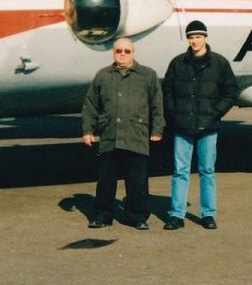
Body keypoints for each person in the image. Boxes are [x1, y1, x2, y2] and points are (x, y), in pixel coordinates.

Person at [82, 37, 165, 230]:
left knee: (137, 181)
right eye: (119, 51)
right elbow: (90, 104)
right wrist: (88, 129)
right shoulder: (103, 76)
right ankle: (103, 216)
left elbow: (157, 105)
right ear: (113, 53)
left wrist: (157, 129)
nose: (123, 54)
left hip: (136, 136)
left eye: (127, 51)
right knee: (106, 182)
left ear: (133, 53)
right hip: (109, 136)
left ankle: (137, 216)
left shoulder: (147, 75)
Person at [162, 20, 237, 230]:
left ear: (205, 37)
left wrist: (216, 112)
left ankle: (208, 214)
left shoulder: (219, 64)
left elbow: (231, 91)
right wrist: (175, 115)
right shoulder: (177, 64)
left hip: (208, 127)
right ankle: (176, 215)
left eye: (198, 37)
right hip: (182, 126)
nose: (195, 41)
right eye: (191, 37)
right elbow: (167, 91)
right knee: (180, 171)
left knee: (207, 170)